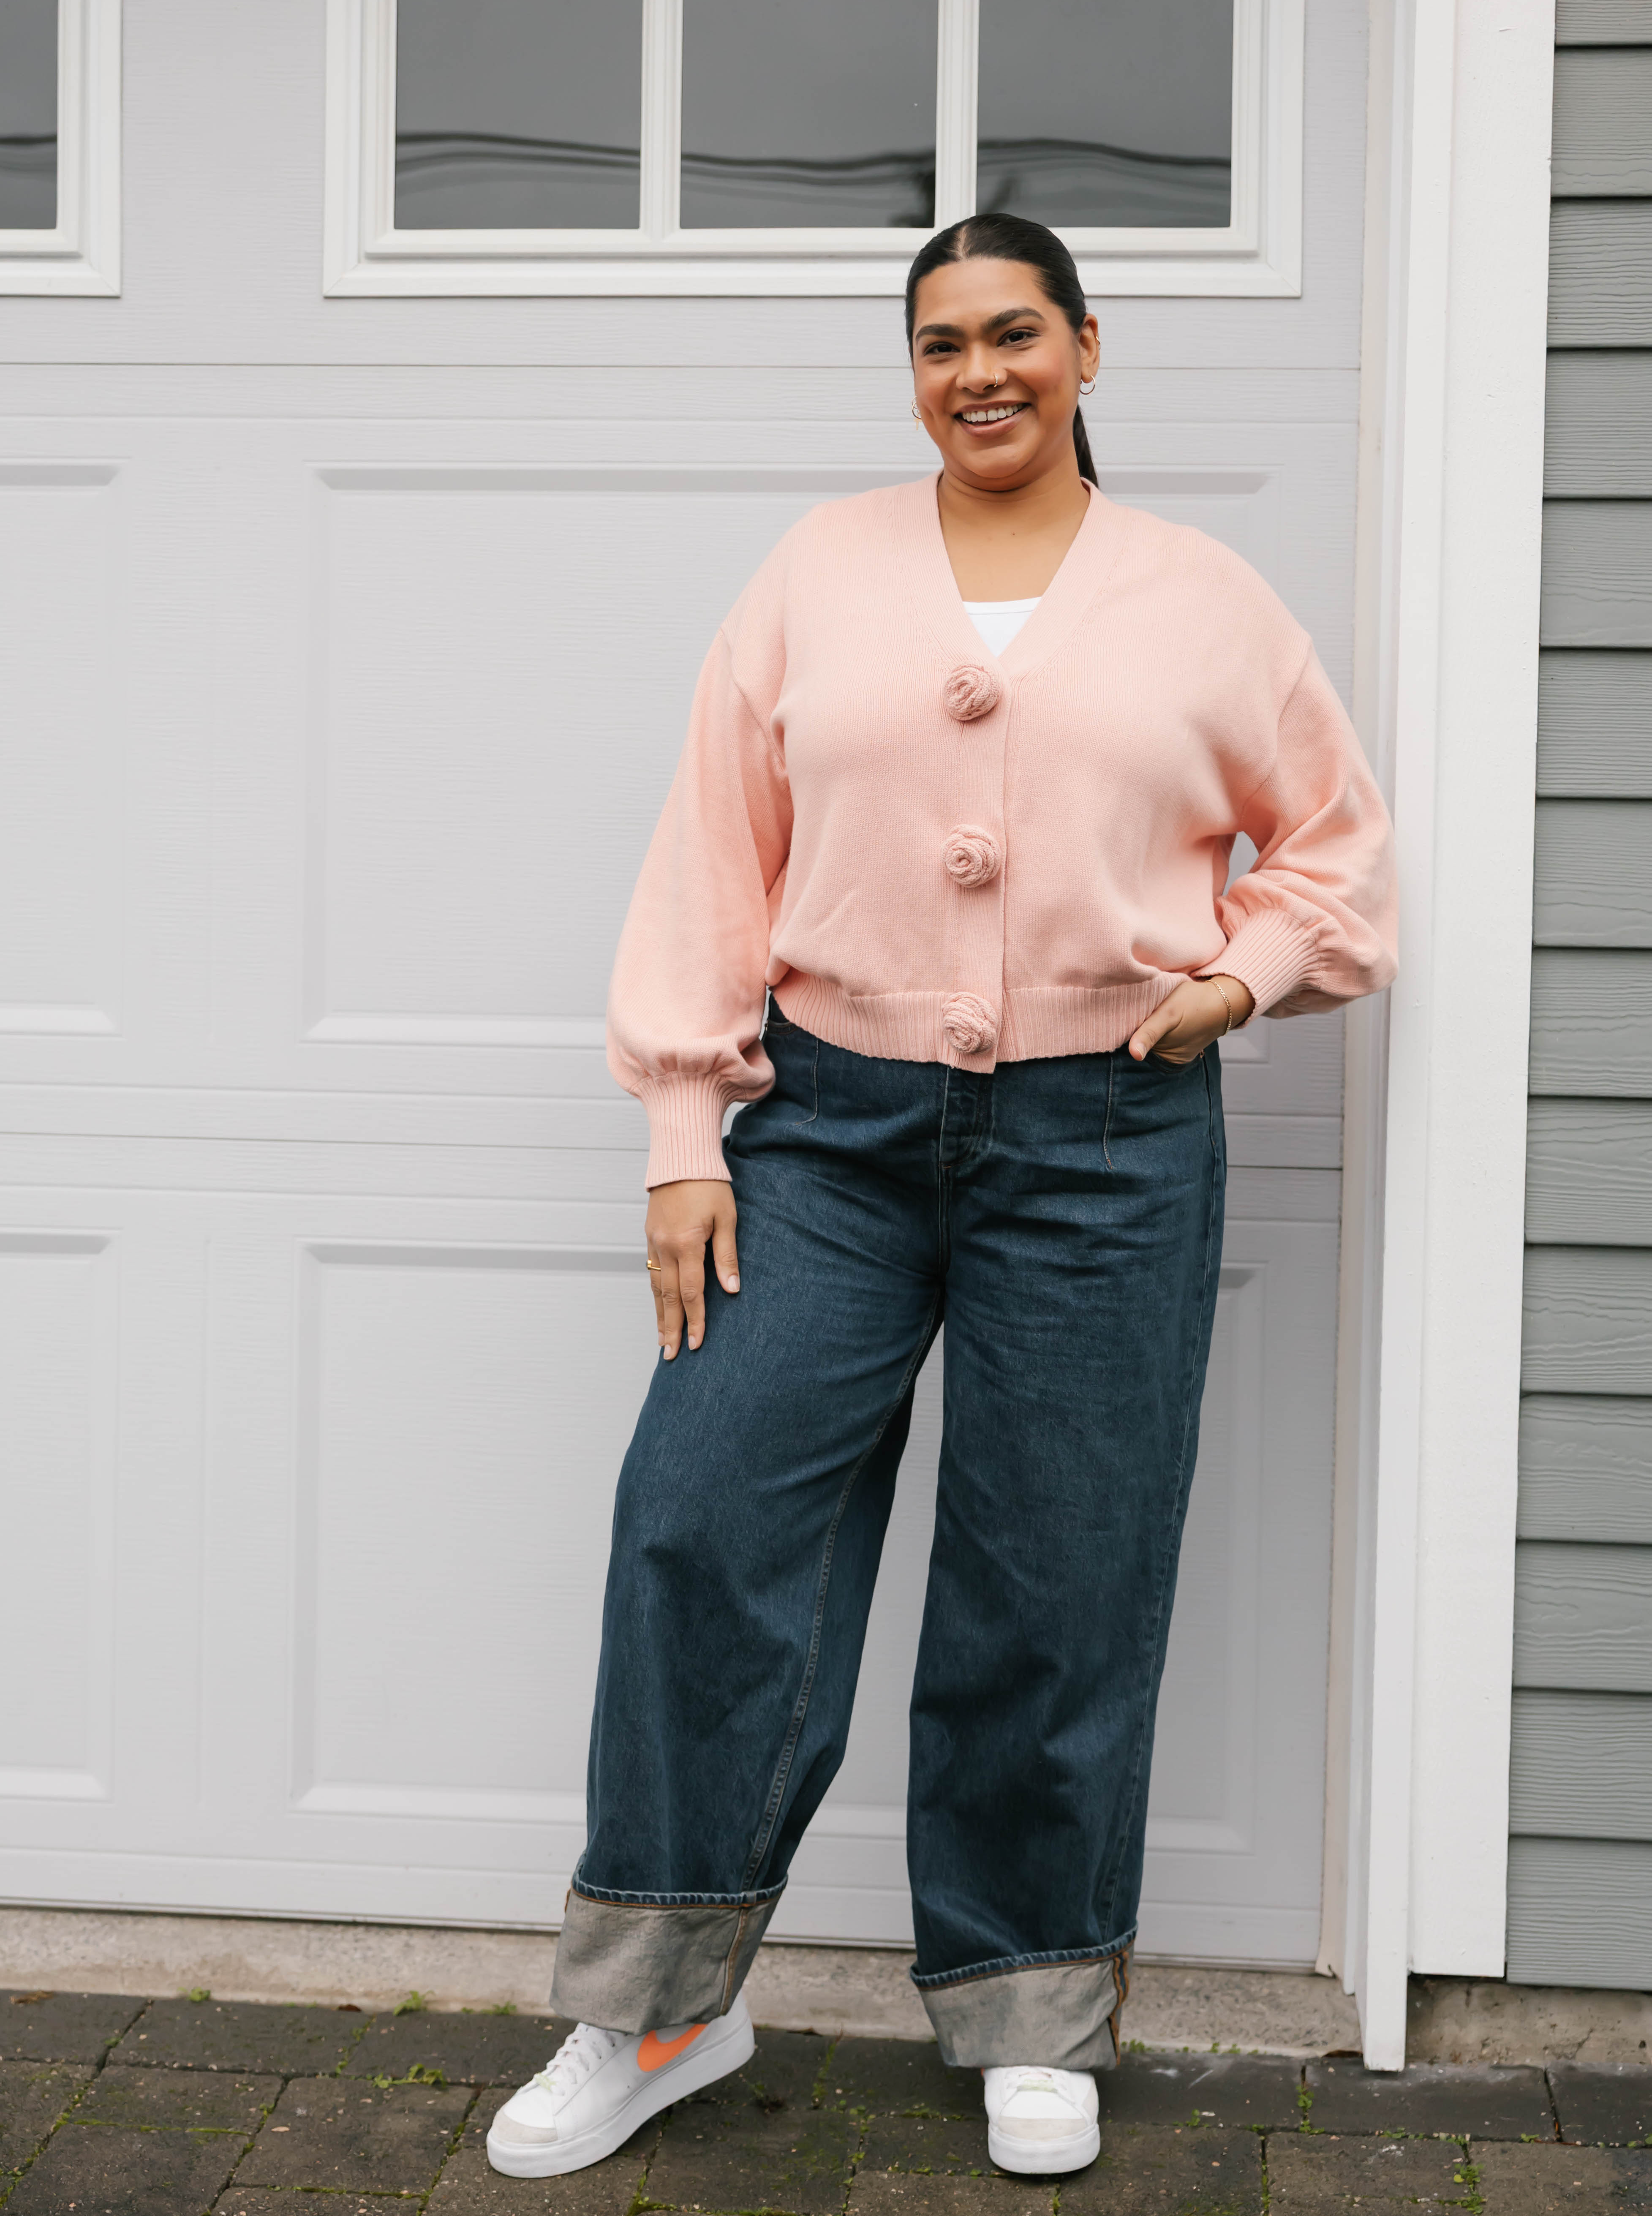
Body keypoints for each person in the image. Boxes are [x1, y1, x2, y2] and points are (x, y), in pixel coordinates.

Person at [487, 212, 1397, 2185]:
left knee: (1056, 1566)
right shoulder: (819, 571)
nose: (976, 371)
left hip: (1108, 1134)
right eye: (937, 343)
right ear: (911, 372)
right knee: (704, 1511)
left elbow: (1335, 852)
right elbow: (713, 861)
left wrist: (1235, 980)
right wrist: (681, 1130)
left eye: (1012, 333)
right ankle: (658, 2003)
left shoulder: (1203, 599)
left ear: (1087, 347)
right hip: (826, 1131)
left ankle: (1029, 2002)